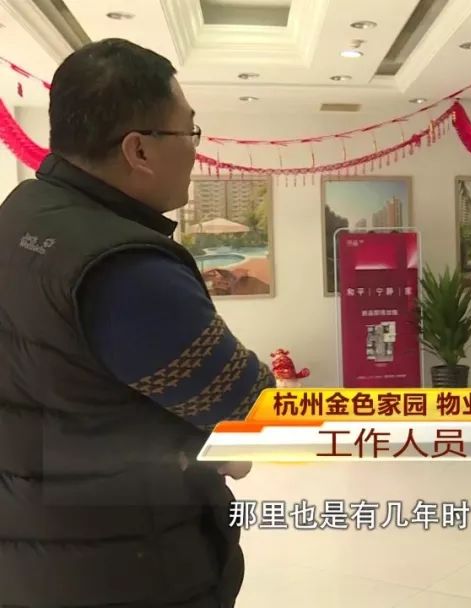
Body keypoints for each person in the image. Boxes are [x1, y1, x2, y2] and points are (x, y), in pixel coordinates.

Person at [0, 39, 274, 607]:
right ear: (139, 149)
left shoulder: (20, 214)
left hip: (36, 550)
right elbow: (255, 414)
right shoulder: (125, 268)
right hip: (130, 565)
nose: (196, 150)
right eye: (189, 131)